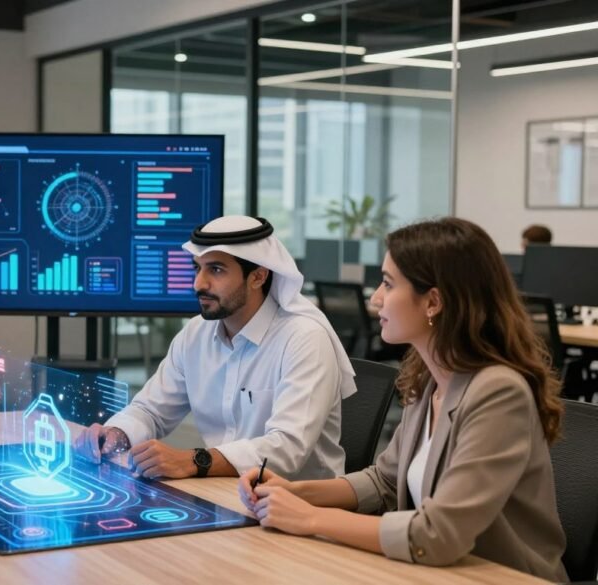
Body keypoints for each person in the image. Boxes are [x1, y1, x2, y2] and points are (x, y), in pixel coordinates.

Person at [239, 217, 567, 581]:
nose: (376, 298)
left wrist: (311, 518)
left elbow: (438, 534)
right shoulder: (431, 378)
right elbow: (386, 481)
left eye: (388, 284)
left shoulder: (498, 393)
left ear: (433, 302)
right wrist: (295, 491)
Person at [75, 215, 356, 481]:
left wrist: (194, 461)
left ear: (258, 277)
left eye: (216, 270)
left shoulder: (304, 338)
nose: (199, 284)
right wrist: (117, 433)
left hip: (303, 507)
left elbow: (286, 449)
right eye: (197, 268)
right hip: (223, 494)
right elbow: (150, 411)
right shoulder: (196, 334)